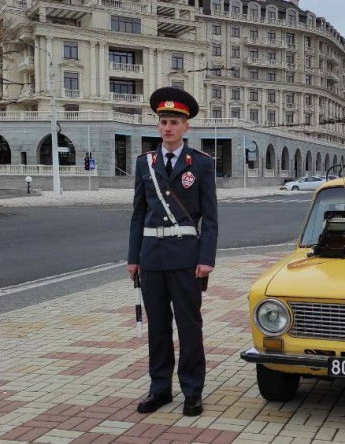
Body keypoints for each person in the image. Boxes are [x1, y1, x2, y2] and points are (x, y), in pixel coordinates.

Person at [127, 87, 218, 417]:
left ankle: (192, 391)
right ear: (158, 126)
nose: (168, 128)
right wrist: (133, 258)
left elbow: (210, 217)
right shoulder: (145, 163)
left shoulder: (201, 164)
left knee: (189, 326)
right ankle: (160, 389)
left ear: (185, 127)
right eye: (164, 122)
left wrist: (206, 258)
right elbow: (138, 213)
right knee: (158, 327)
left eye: (174, 122)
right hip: (152, 256)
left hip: (186, 258)